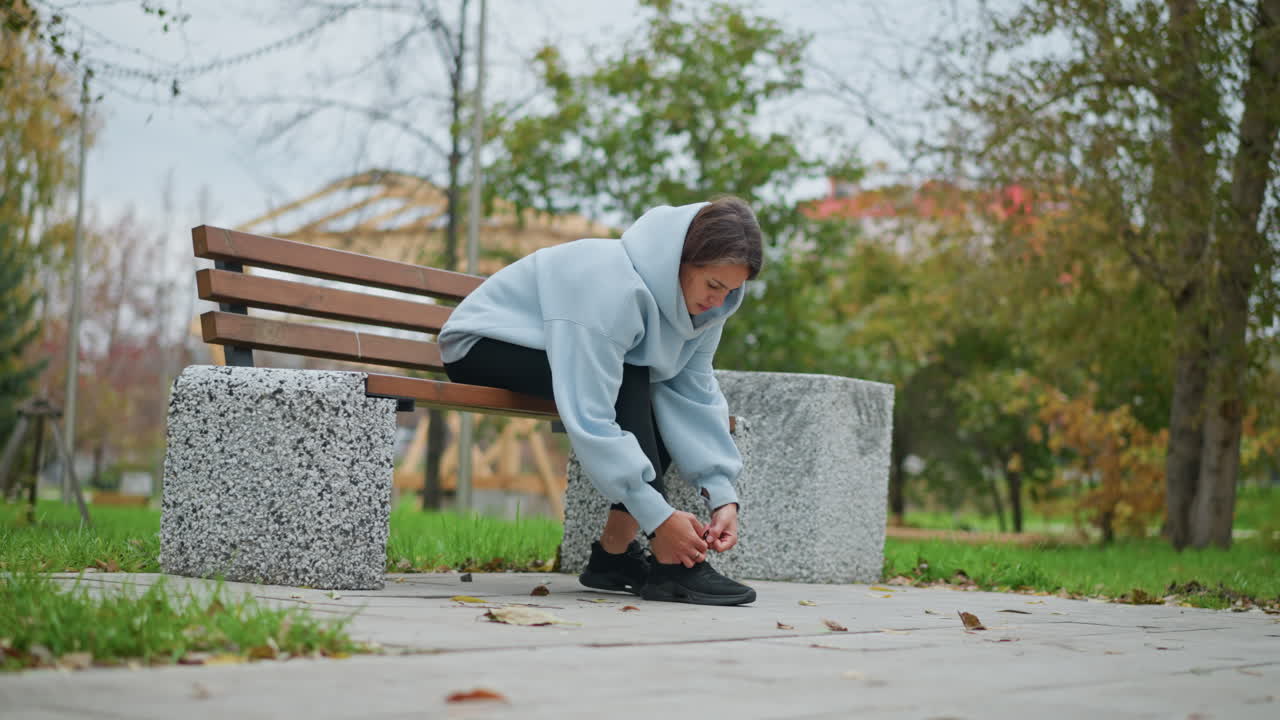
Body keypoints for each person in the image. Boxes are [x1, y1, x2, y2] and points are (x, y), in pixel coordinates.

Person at [439, 197, 761, 606]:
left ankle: (612, 559)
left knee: (651, 385)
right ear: (678, 259)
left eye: (732, 290)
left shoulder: (709, 311)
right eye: (713, 285)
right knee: (633, 375)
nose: (719, 301)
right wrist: (659, 517)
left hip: (567, 351)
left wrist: (721, 492)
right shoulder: (608, 284)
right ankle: (671, 565)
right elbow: (590, 415)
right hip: (484, 344)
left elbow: (694, 392)